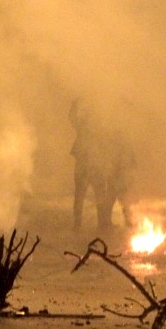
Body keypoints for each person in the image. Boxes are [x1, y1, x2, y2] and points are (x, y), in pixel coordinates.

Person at [69, 97, 95, 231]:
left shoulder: (102, 129)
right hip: (84, 165)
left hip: (97, 166)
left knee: (101, 195)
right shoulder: (83, 126)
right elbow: (73, 119)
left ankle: (104, 224)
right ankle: (77, 224)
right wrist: (74, 105)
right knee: (79, 196)